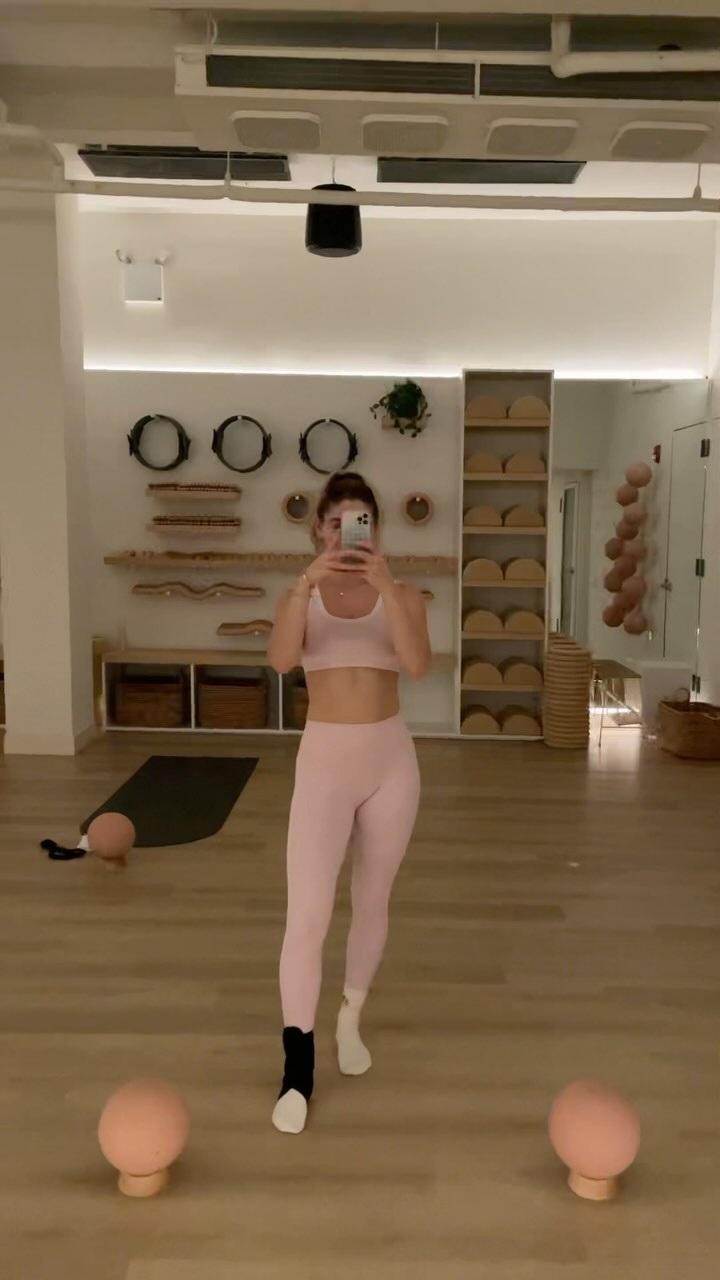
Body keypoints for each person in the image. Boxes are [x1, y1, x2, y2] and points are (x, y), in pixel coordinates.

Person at [268, 471, 431, 1134]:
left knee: (372, 901)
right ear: (319, 528)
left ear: (376, 530)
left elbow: (417, 664)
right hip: (324, 765)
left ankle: (350, 1016)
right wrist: (304, 585)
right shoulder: (300, 596)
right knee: (307, 916)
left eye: (362, 522)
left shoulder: (405, 594)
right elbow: (282, 661)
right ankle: (297, 1068)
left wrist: (387, 589)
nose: (348, 534)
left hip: (391, 763)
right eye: (337, 523)